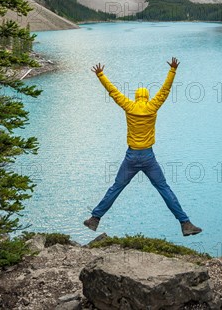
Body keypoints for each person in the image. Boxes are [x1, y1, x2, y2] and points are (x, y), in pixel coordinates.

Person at [83, 57, 202, 237]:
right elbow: (165, 90)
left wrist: (100, 75)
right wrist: (173, 70)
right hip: (148, 157)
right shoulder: (153, 107)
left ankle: (95, 219)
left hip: (131, 157)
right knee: (164, 188)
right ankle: (185, 224)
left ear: (136, 97)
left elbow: (113, 91)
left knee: (116, 187)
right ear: (146, 97)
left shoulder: (128, 106)